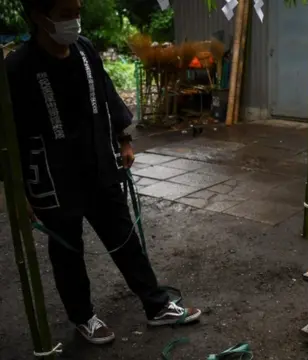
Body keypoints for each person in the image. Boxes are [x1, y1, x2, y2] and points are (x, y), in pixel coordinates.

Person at [2, 0, 202, 345]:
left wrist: (124, 139)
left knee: (125, 238)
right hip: (53, 177)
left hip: (99, 163)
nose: (74, 21)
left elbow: (107, 95)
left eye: (77, 12)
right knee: (68, 252)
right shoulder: (18, 68)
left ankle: (155, 305)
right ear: (39, 17)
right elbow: (7, 134)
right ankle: (83, 317)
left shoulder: (84, 50)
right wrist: (18, 192)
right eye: (65, 14)